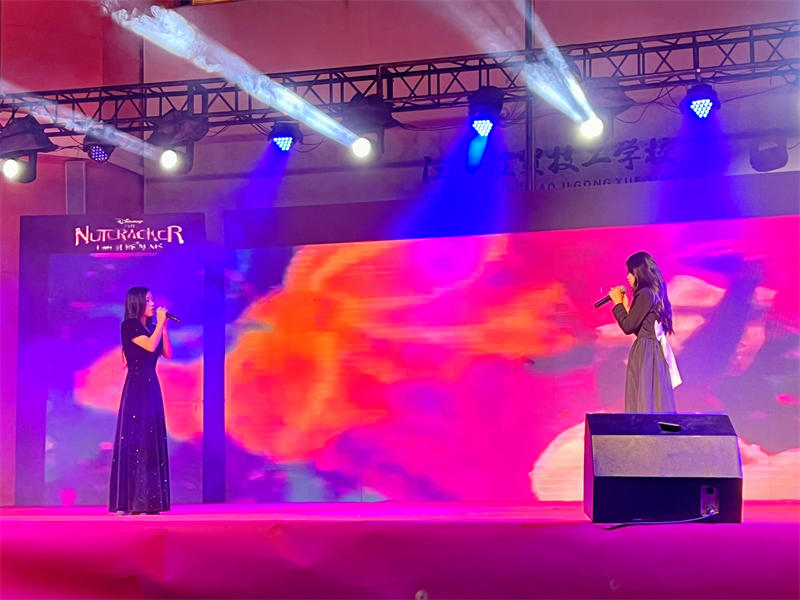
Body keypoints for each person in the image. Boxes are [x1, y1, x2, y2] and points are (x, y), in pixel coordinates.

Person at [109, 286, 173, 514]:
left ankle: (150, 502)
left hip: (151, 385)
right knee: (136, 440)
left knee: (150, 438)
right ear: (137, 303)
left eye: (152, 299)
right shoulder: (129, 326)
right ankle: (131, 502)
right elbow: (149, 345)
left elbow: (167, 353)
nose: (152, 304)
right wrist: (160, 325)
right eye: (148, 300)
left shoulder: (153, 328)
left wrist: (163, 326)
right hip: (136, 387)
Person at [609, 251, 680, 413]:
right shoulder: (653, 293)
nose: (627, 277)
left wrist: (618, 304)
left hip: (646, 352)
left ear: (639, 272)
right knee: (652, 397)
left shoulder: (645, 293)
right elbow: (642, 327)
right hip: (652, 350)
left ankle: (642, 427)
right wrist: (626, 307)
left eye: (630, 272)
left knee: (644, 397)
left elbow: (628, 326)